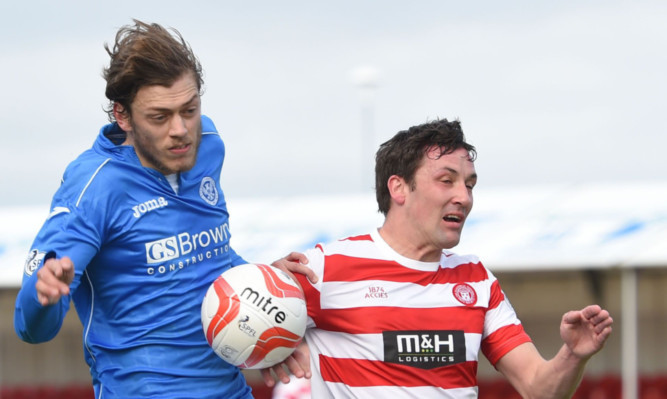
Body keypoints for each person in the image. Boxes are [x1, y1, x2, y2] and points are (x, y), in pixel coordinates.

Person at [13, 20, 311, 398]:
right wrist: (43, 297)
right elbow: (31, 329)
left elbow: (207, 255)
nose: (181, 129)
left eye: (190, 109)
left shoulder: (208, 144)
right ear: (122, 116)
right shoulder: (94, 187)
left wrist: (260, 283)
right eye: (160, 116)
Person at [264, 119, 613, 398]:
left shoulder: (476, 279)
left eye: (470, 184)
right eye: (447, 181)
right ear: (398, 188)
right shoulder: (326, 268)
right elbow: (234, 313)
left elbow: (538, 388)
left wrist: (573, 354)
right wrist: (266, 303)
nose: (463, 197)